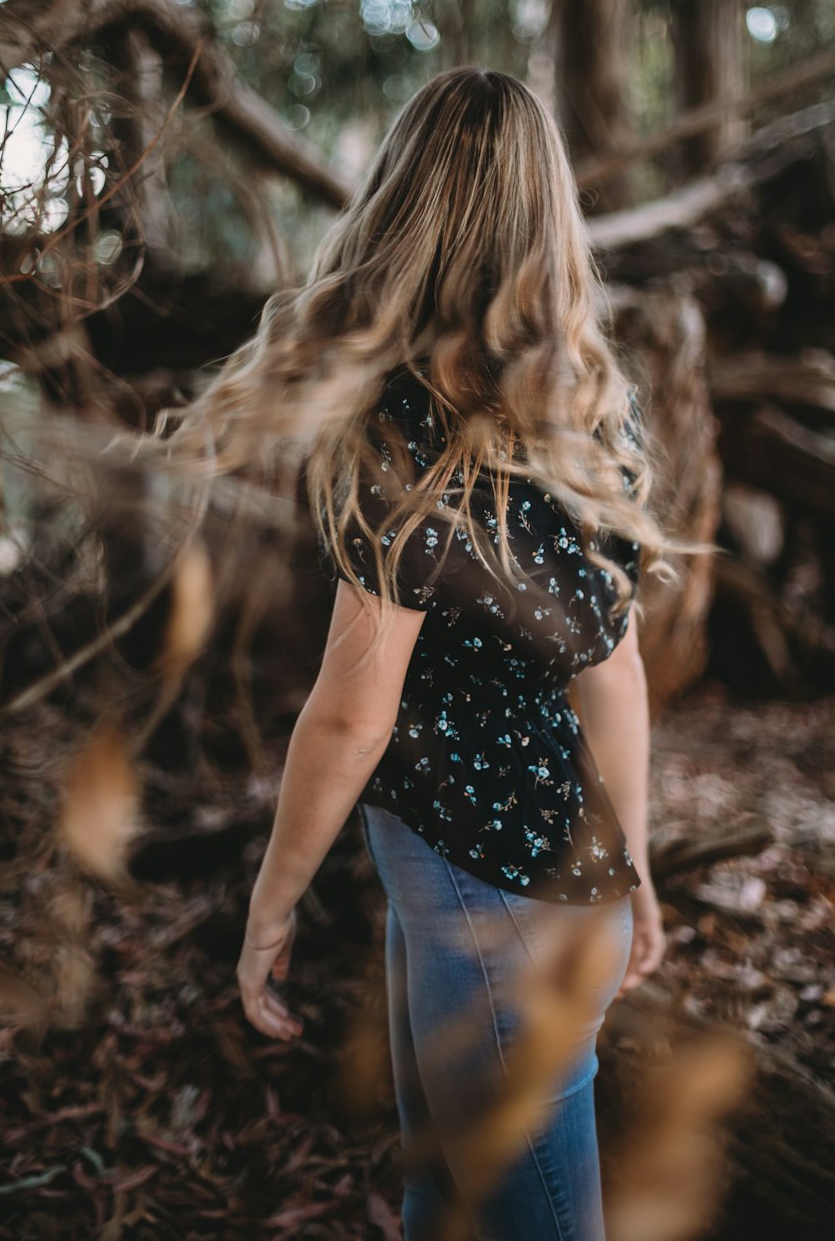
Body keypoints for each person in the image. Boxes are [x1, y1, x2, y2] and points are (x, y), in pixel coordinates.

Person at [203, 68, 688, 1240]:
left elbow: (348, 716)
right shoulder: (586, 410)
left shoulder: (402, 426)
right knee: (445, 1200)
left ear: (401, 205)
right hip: (523, 879)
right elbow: (612, 675)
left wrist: (270, 908)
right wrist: (632, 864)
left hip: (493, 910)